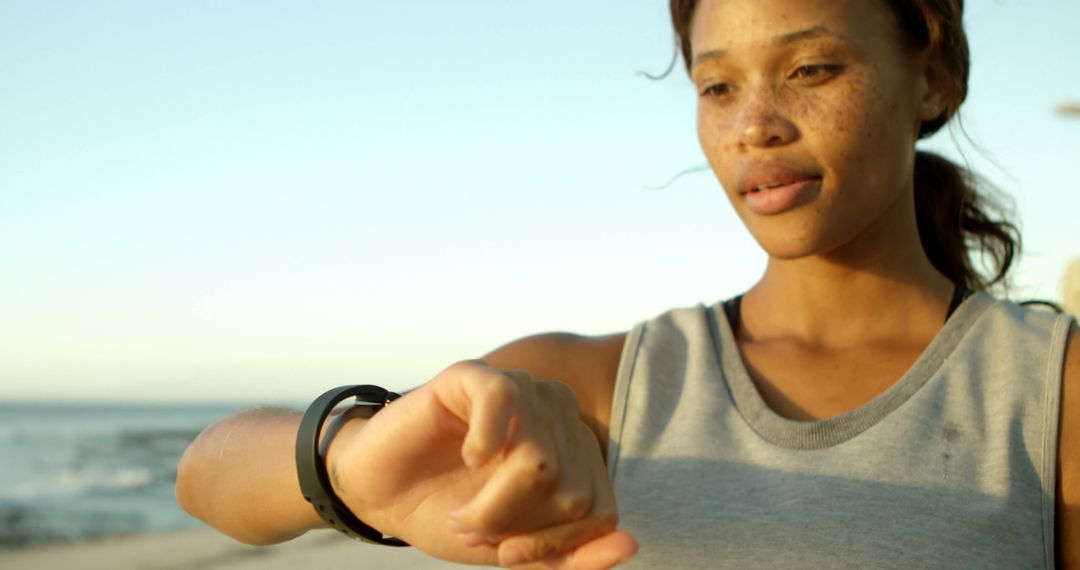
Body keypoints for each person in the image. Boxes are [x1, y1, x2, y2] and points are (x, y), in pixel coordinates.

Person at [176, 0, 1080, 567]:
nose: (754, 127)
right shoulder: (607, 386)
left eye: (811, 69)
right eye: (717, 86)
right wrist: (350, 466)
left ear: (933, 76)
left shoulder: (1052, 394)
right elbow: (207, 476)